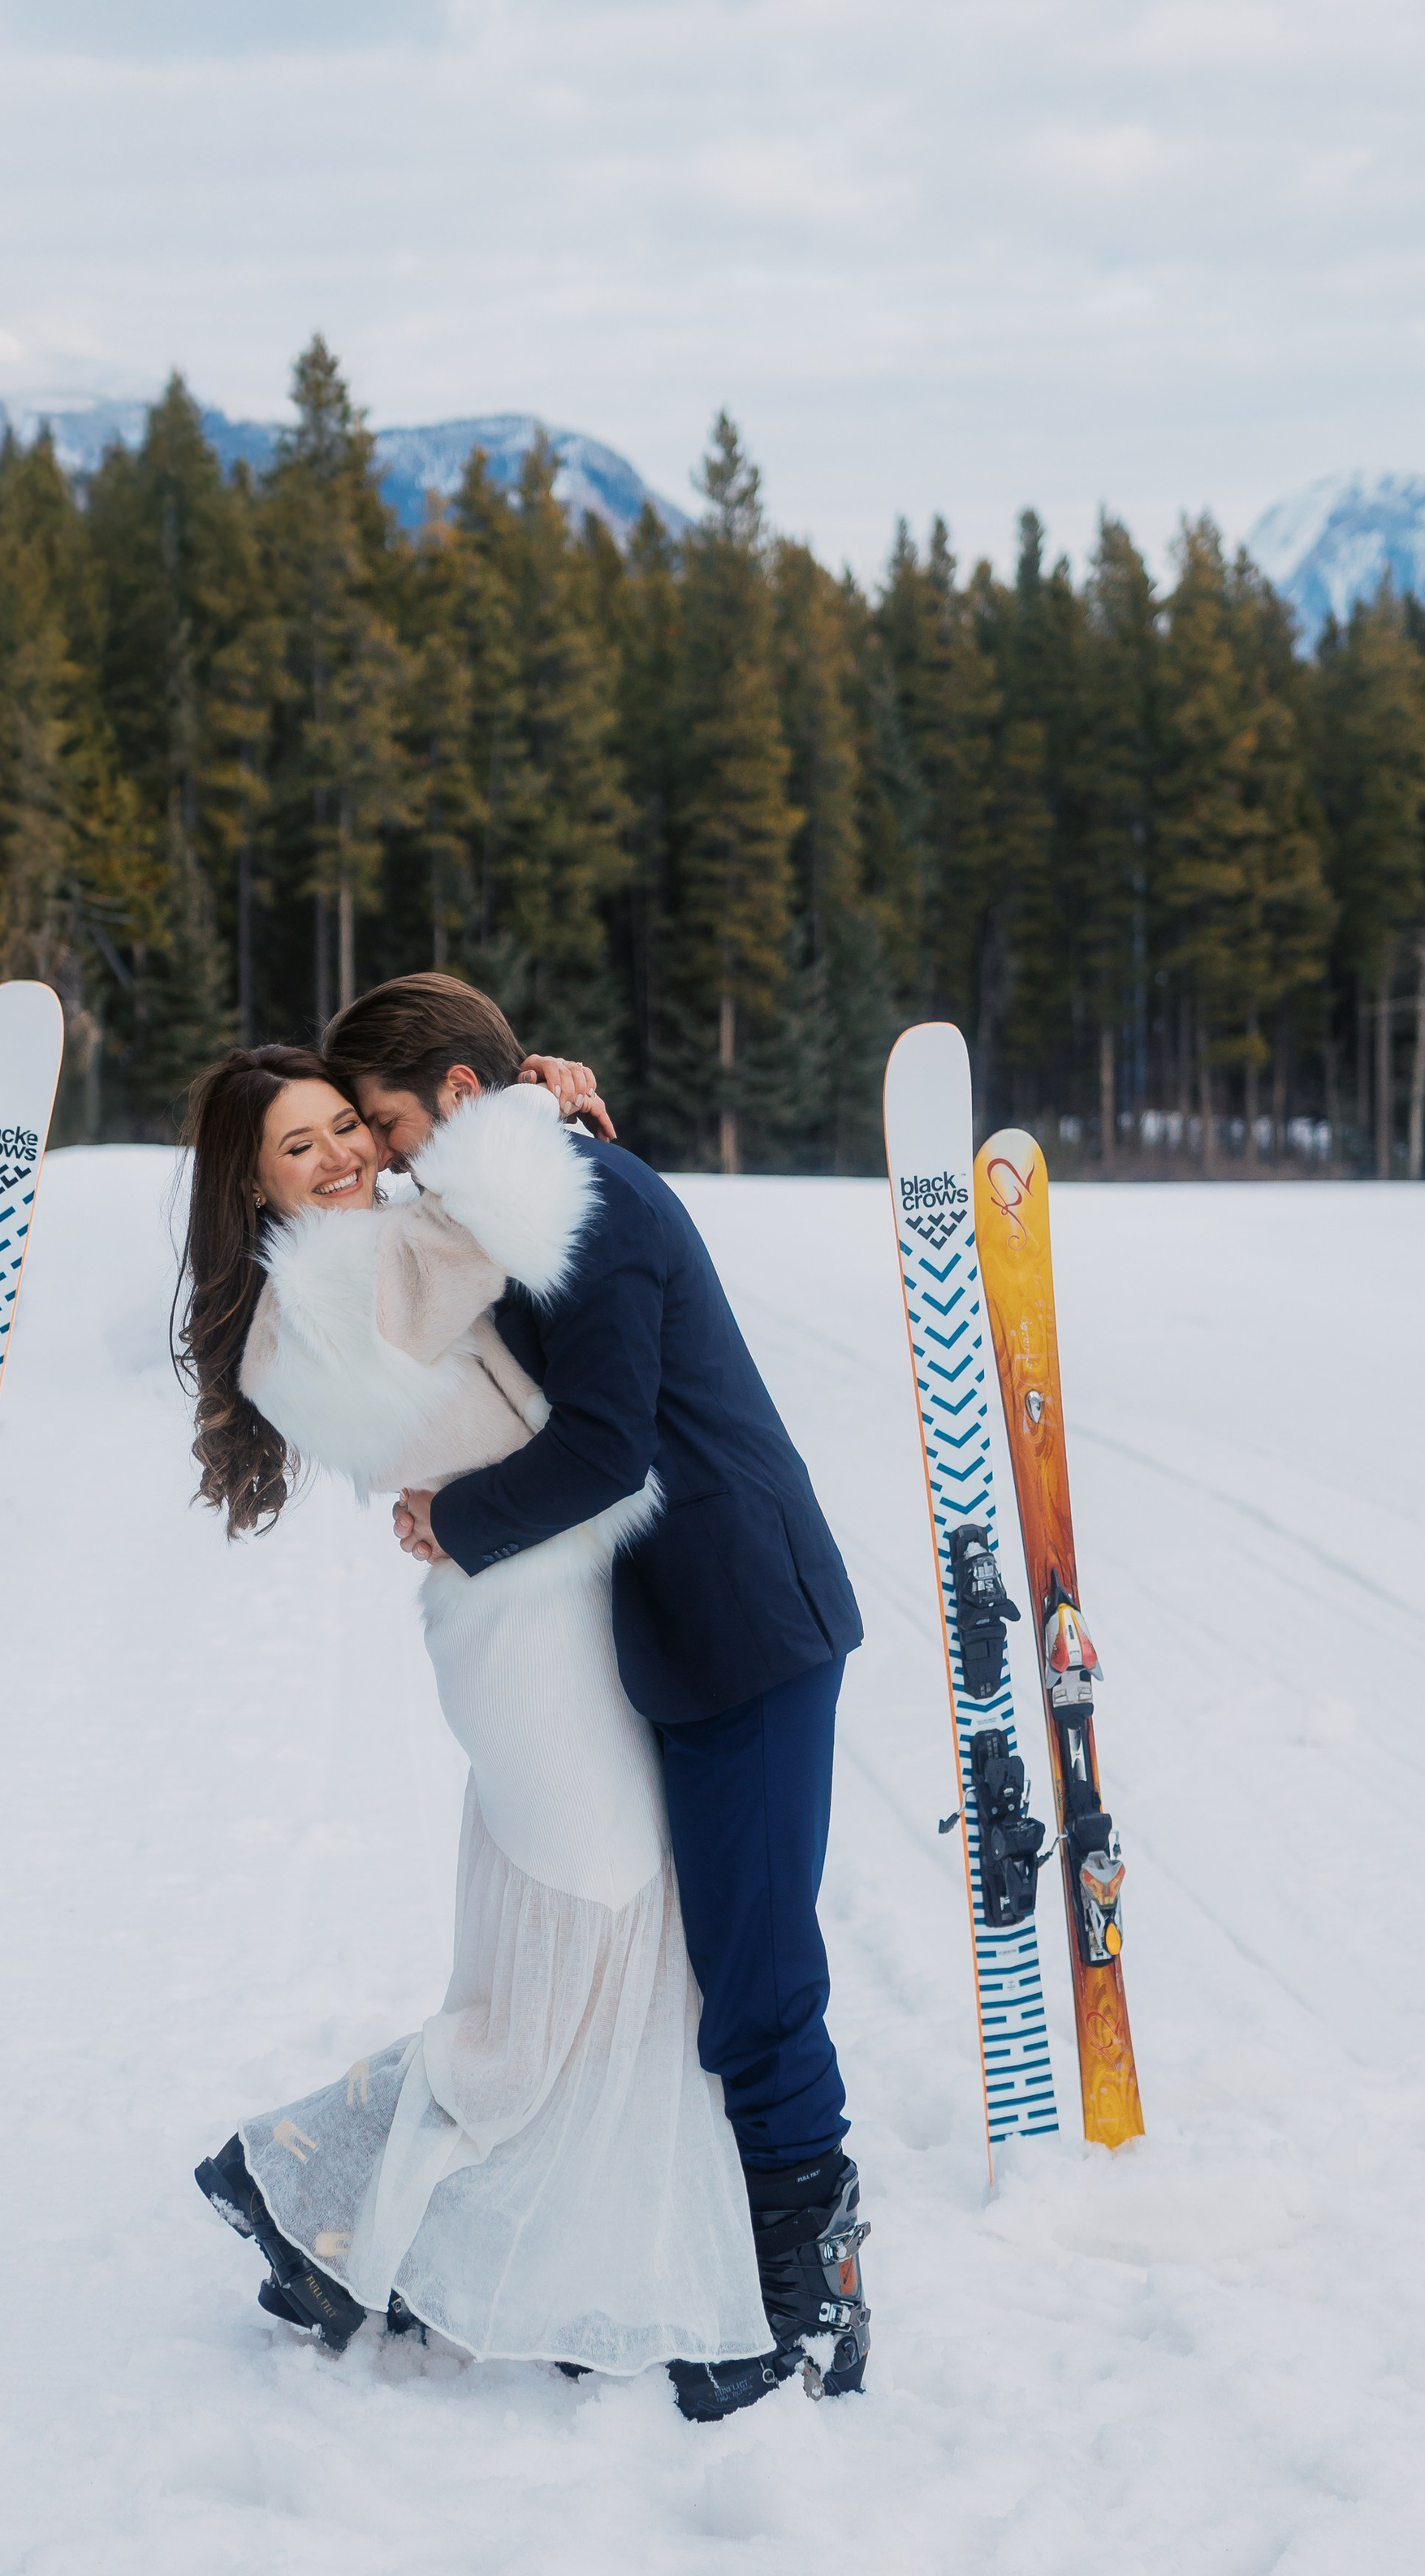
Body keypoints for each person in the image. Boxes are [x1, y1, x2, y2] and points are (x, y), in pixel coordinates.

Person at [179, 1042, 775, 2400]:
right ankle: (311, 2178)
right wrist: (519, 1110)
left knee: (571, 1956)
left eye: (346, 1127)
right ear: (251, 1185)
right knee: (591, 1948)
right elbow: (494, 1230)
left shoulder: (376, 1249)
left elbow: (492, 1237)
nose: (342, 1157)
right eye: (302, 1146)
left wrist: (511, 1114)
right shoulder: (325, 1292)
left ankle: (402, 2227)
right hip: (528, 1635)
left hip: (543, 1611)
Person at [321, 975, 870, 2416]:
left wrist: (456, 1516)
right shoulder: (532, 1184)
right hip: (676, 1630)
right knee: (699, 1962)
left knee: (755, 1972)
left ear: (452, 1095)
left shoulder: (595, 1203)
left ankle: (816, 2285)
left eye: (387, 1124)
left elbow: (614, 1445)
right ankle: (717, 2257)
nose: (379, 1157)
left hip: (746, 1621)